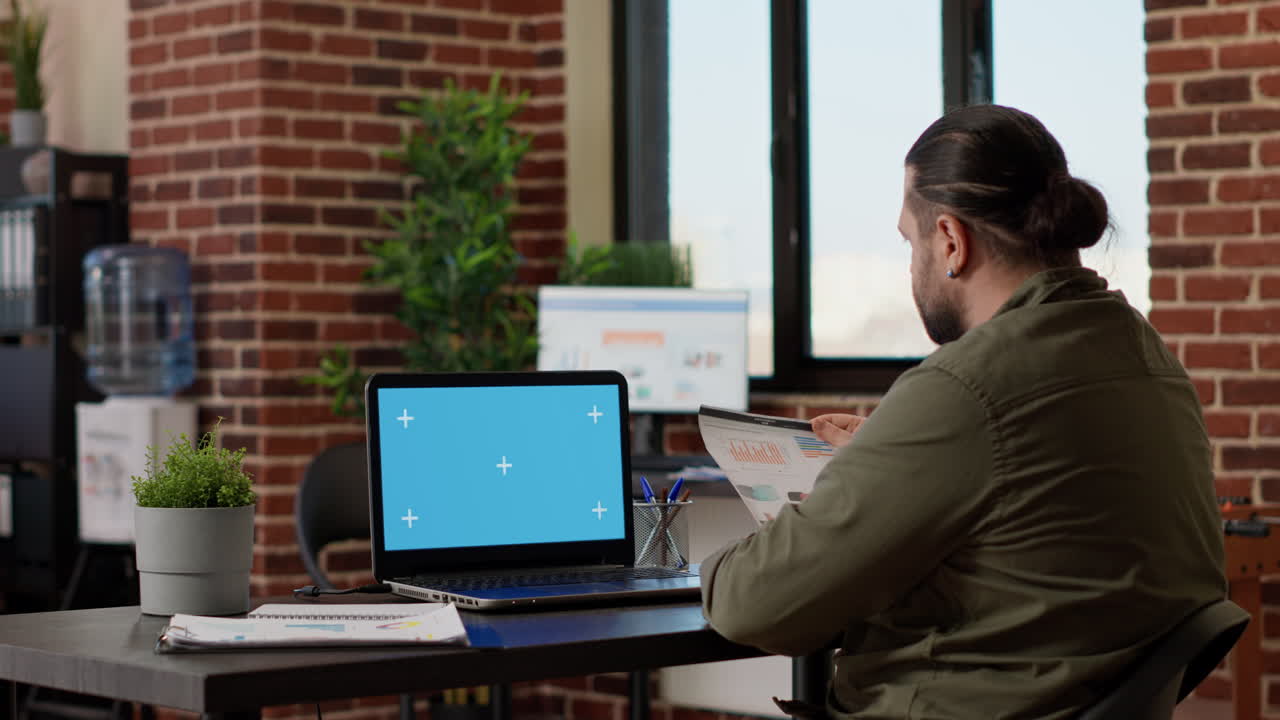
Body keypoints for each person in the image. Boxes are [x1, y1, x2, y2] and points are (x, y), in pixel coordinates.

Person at [699, 105, 1226, 719]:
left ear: (950, 240)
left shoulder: (964, 388)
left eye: (909, 240)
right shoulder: (1143, 356)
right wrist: (891, 456)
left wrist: (712, 567)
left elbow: (754, 605)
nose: (912, 265)